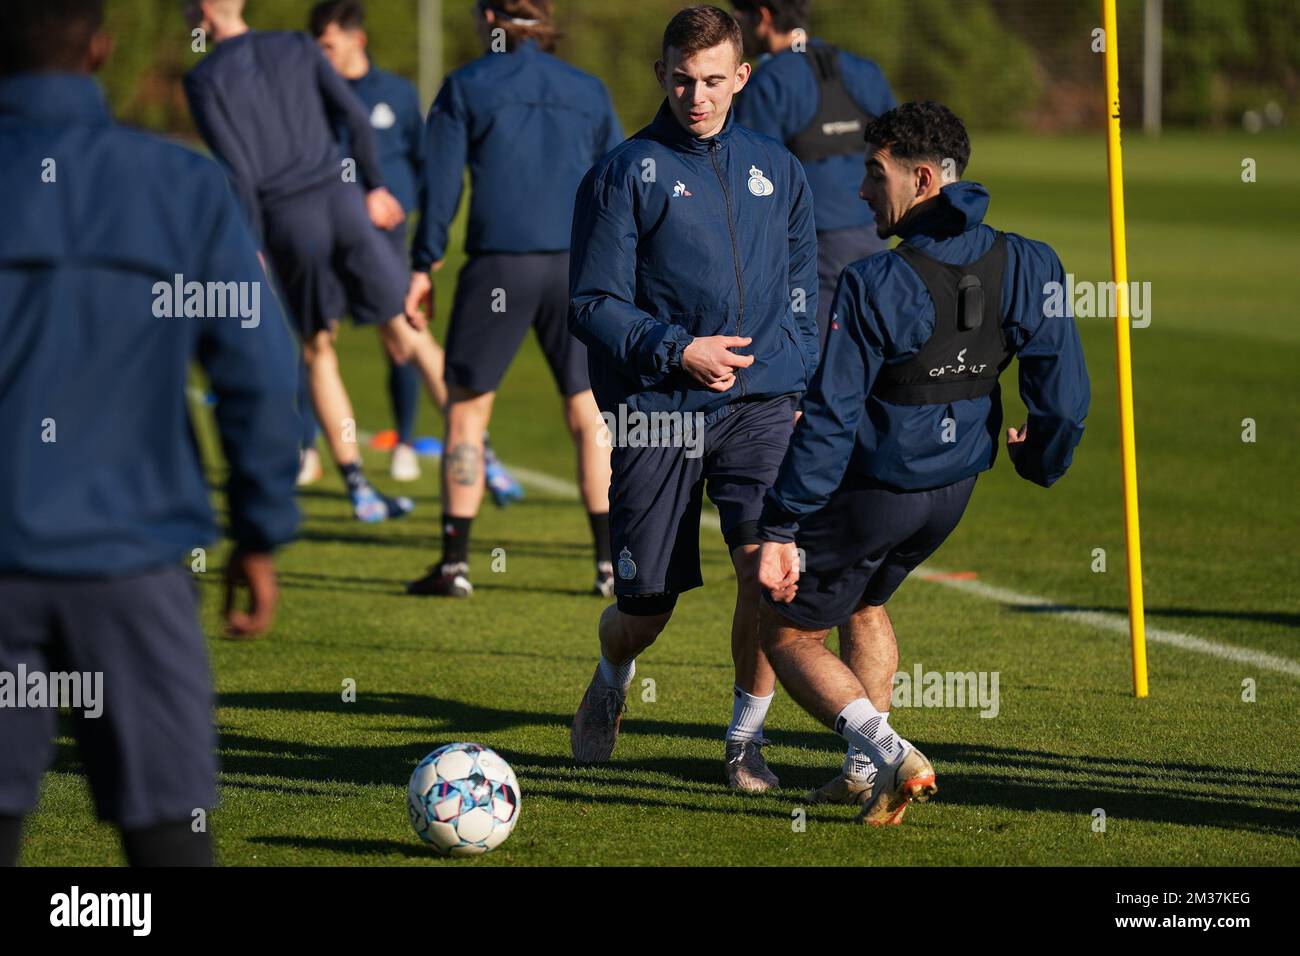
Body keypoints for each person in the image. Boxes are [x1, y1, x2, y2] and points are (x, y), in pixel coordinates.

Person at [0, 0, 299, 865]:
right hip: (131, 567)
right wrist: (261, 530)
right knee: (168, 832)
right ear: (97, 47)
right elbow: (261, 375)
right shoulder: (181, 185)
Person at [755, 101, 1090, 825]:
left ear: (925, 179)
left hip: (879, 491)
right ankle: (859, 776)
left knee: (783, 629)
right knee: (867, 604)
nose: (863, 192)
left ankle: (889, 752)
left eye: (876, 174)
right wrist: (1041, 462)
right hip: (955, 490)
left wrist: (780, 524)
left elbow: (832, 421)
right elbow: (1064, 397)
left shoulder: (875, 281)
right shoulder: (1032, 260)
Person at [567, 5, 819, 791]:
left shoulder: (781, 169)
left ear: (743, 76)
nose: (697, 96)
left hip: (760, 405)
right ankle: (612, 676)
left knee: (767, 573)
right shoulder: (621, 173)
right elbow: (592, 304)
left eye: (714, 80)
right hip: (659, 410)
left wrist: (795, 377)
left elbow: (805, 290)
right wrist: (678, 349)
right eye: (683, 79)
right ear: (660, 75)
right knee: (646, 608)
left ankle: (745, 742)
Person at [183, 0, 433, 522]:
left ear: (203, 10)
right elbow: (355, 119)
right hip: (342, 201)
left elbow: (238, 171)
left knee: (319, 351)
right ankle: (477, 453)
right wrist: (376, 184)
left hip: (287, 219)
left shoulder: (205, 77)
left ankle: (360, 488)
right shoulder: (296, 46)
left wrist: (250, 239)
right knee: (409, 328)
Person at [403, 0, 621, 598]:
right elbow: (619, 179)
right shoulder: (586, 88)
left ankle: (455, 566)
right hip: (575, 269)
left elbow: (440, 184)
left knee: (468, 413)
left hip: (498, 265)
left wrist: (424, 263)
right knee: (588, 414)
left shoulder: (467, 84)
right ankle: (608, 567)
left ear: (491, 16)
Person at [731, 0, 896, 347]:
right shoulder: (863, 69)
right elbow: (901, 151)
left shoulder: (767, 82)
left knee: (812, 362)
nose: (739, 28)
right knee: (872, 356)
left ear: (763, 17)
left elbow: (752, 183)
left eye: (740, 17)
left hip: (813, 249)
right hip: (875, 233)